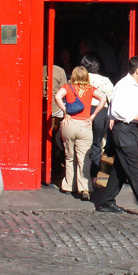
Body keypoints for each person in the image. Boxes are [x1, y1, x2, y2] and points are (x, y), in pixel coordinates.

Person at [97, 55, 138, 215]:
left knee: (120, 169)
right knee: (134, 168)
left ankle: (106, 201)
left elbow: (136, 106)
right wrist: (135, 117)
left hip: (132, 130)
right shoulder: (123, 86)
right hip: (123, 130)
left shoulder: (137, 85)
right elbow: (116, 110)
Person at [54, 66, 106, 200]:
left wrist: (65, 111)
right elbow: (103, 99)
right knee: (84, 158)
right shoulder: (90, 89)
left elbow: (57, 97)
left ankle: (68, 185)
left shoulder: (67, 87)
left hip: (69, 124)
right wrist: (93, 115)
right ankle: (84, 188)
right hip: (85, 125)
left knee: (70, 156)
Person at [81, 54, 114, 187]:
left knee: (82, 145)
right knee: (97, 144)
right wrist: (112, 117)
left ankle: (82, 177)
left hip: (83, 112)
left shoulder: (79, 79)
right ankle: (94, 177)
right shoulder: (105, 80)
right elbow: (112, 99)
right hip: (100, 113)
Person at [44, 63, 67, 180]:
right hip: (57, 110)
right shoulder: (59, 70)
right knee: (58, 141)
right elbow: (64, 91)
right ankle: (57, 165)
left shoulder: (39, 69)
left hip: (48, 109)